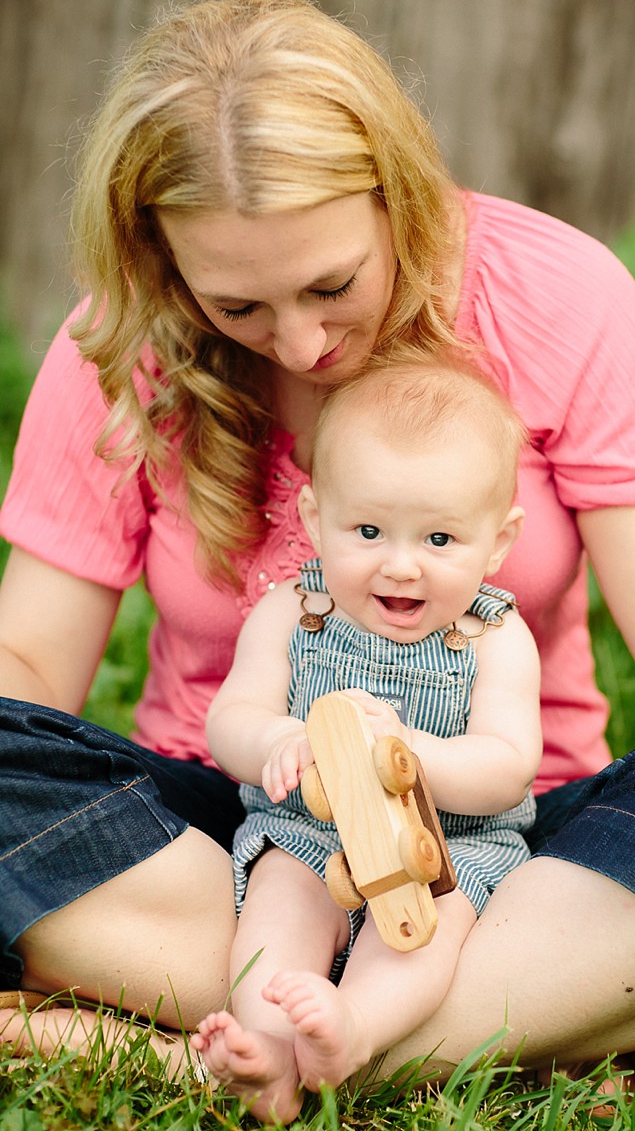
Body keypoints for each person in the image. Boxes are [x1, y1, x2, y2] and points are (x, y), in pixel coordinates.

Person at [1, 0, 635, 1095]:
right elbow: (27, 672)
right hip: (225, 838)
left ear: (396, 193)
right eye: (237, 306)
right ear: (163, 265)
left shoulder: (559, 296)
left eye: (332, 284)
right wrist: (270, 748)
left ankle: (230, 1044)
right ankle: (493, 1019)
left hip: (511, 854)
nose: (302, 343)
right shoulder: (122, 345)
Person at [191, 358, 542, 1121]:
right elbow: (230, 720)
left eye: (441, 537)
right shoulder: (295, 610)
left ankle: (353, 1031)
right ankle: (268, 1054)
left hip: (446, 847)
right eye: (370, 530)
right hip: (310, 833)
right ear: (316, 520)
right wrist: (278, 739)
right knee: (279, 909)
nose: (401, 564)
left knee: (427, 929)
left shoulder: (493, 637)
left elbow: (508, 767)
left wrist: (412, 754)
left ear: (498, 542)